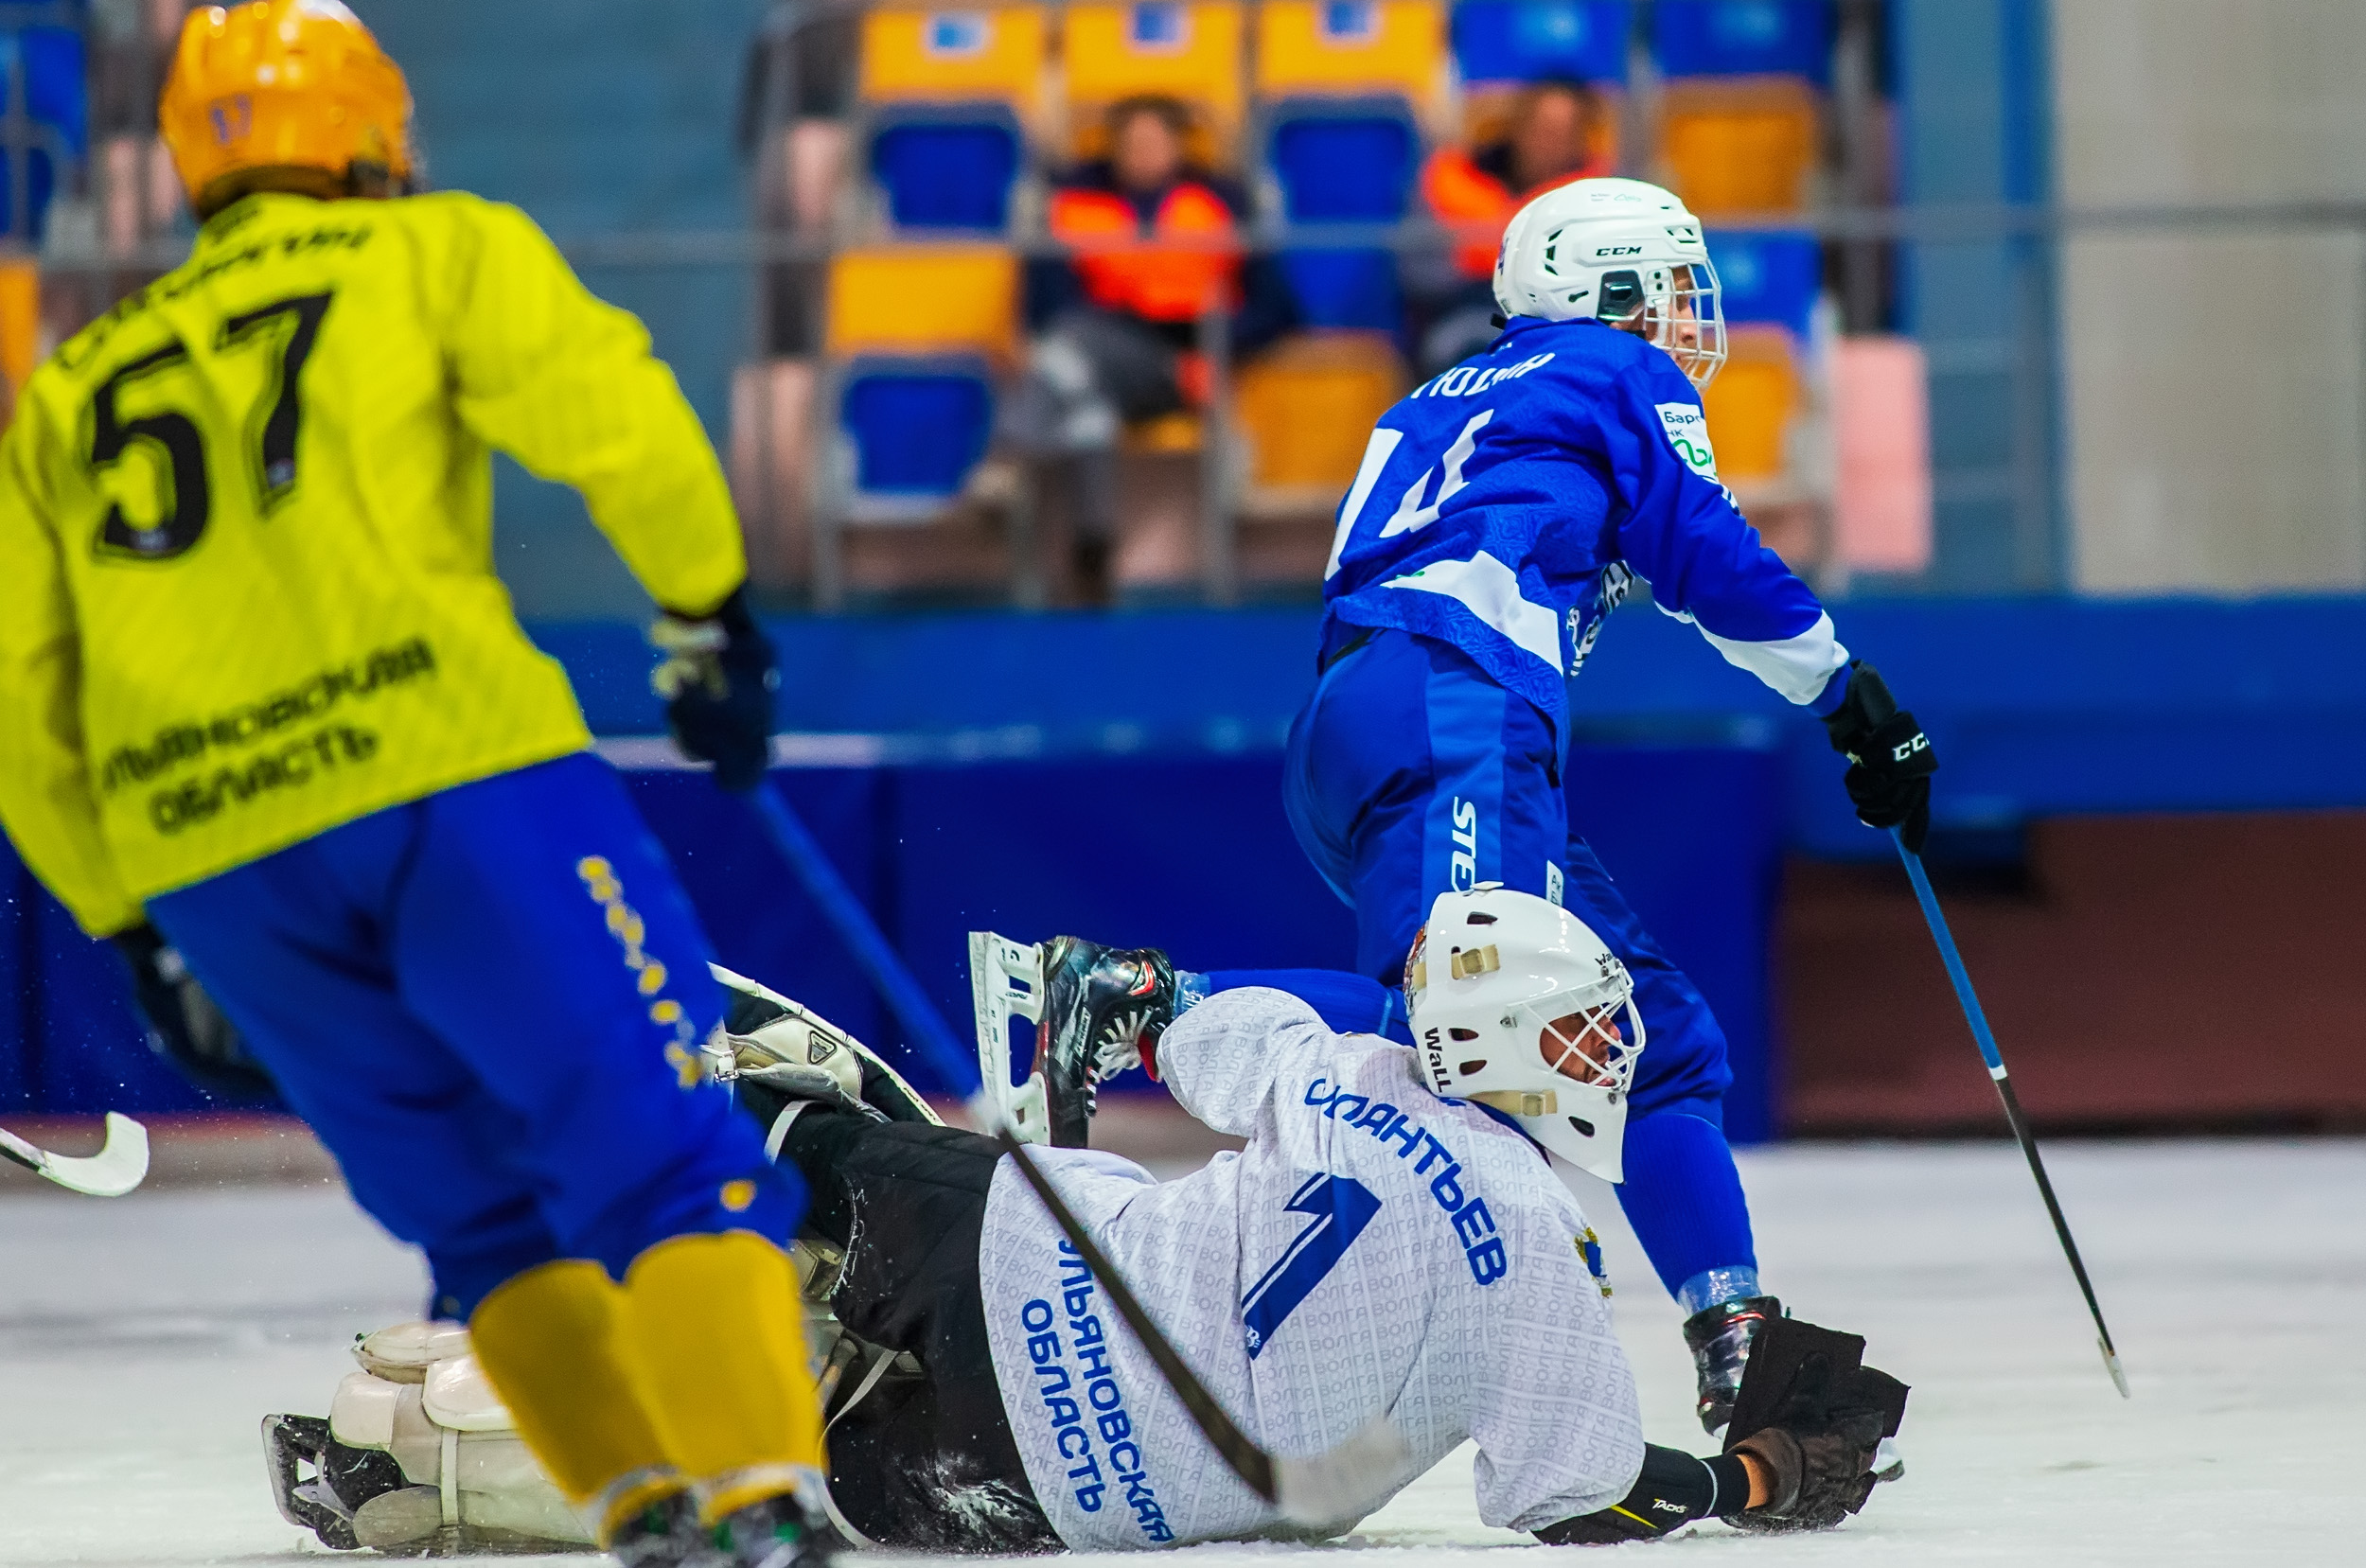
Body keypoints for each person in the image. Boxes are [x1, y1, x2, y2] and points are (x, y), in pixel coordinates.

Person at [0, 0, 827, 1566]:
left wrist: (133, 923)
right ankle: (765, 1508)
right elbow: (623, 422)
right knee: (667, 1161)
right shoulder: (437, 252)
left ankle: (651, 1518)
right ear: (376, 130)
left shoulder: (69, 387)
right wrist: (705, 621)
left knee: (484, 1225)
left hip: (217, 859)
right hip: (459, 787)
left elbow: (21, 700)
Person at [1019, 178, 1940, 1443]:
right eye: (1671, 290)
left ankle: (1737, 1331)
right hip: (1458, 700)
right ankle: (1142, 999)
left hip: (1370, 710)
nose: (1688, 320)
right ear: (1613, 293)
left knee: (1652, 1037)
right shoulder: (1612, 370)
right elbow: (1702, 548)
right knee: (1473, 1026)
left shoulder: (1452, 396)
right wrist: (1852, 695)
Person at [272, 897, 1907, 1553]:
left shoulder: (1342, 1060)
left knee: (797, 1110)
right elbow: (1587, 1503)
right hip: (1059, 1500)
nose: (1608, 1056)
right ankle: (419, 1465)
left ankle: (598, 1162)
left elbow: (1156, 1026)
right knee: (763, 1473)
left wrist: (1124, 995)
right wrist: (1751, 1479)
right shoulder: (1546, 1263)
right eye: (1582, 1029)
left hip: (1012, 1247)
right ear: (1505, 1049)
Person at [1012, 93, 1297, 596]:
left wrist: (1214, 343)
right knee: (1086, 403)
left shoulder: (1222, 205)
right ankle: (1094, 548)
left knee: (1070, 349)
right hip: (1097, 360)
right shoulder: (1074, 206)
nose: (1142, 152)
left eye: (1154, 141)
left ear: (1177, 148)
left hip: (1182, 365)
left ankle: (1010, 444)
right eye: (1131, 142)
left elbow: (1277, 310)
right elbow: (1041, 307)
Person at [1408, 79, 1608, 378]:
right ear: (1517, 127)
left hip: (1558, 321)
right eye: (1540, 129)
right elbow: (1417, 270)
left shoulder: (1600, 193)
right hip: (1465, 311)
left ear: (1580, 140)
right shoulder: (1450, 178)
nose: (1548, 143)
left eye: (1562, 134)